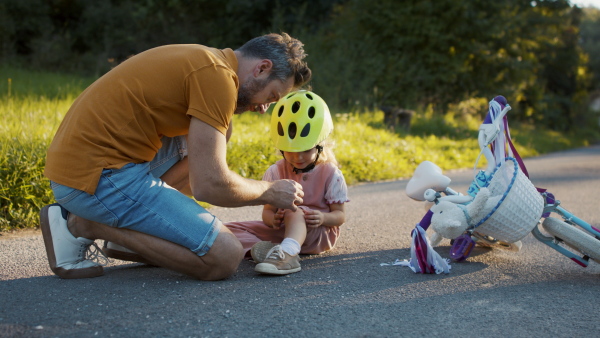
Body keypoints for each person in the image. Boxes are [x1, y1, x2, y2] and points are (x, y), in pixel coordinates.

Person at [40, 33, 311, 281]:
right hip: (97, 178)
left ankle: (129, 232)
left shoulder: (206, 60)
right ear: (262, 68)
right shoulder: (217, 78)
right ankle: (84, 223)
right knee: (224, 256)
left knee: (222, 131)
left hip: (84, 167)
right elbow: (209, 185)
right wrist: (268, 190)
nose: (264, 108)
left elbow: (200, 173)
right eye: (271, 95)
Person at [224, 90, 349, 275]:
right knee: (228, 230)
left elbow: (339, 216)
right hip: (283, 231)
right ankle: (268, 250)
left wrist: (322, 217)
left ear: (320, 144)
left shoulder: (331, 173)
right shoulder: (276, 171)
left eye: (306, 150)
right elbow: (267, 211)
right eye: (290, 150)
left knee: (294, 211)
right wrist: (272, 220)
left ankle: (288, 255)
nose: (298, 157)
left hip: (317, 233)